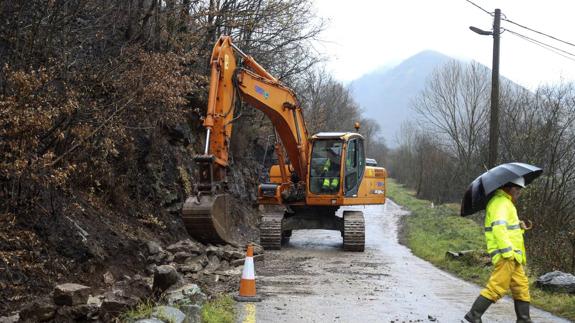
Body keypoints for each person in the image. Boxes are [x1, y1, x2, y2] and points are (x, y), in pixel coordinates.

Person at [464, 176, 532, 323]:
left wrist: (520, 226)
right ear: (510, 188)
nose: (519, 192)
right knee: (497, 287)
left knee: (521, 287)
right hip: (507, 255)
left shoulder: (505, 202)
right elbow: (499, 229)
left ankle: (524, 319)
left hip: (514, 257)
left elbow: (508, 229)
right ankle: (474, 315)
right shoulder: (500, 203)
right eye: (518, 189)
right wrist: (507, 253)